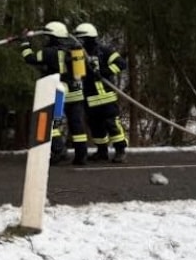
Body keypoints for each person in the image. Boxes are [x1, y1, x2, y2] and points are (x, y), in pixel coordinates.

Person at [21, 21, 89, 166]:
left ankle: (58, 150)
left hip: (59, 91)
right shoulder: (75, 50)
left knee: (50, 121)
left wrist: (24, 43)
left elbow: (30, 58)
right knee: (77, 125)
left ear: (53, 37)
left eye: (48, 37)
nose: (46, 39)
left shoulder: (49, 52)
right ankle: (81, 156)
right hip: (76, 92)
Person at [72, 22, 128, 163]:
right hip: (89, 97)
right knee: (95, 126)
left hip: (106, 97)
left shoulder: (104, 51)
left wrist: (104, 71)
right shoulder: (77, 54)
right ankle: (101, 151)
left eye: (81, 38)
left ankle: (120, 150)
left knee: (112, 124)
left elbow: (121, 64)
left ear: (89, 38)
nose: (78, 41)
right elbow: (77, 74)